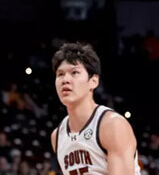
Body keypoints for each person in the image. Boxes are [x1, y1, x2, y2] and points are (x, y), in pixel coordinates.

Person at [50, 42, 141, 175]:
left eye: (74, 72)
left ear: (93, 81)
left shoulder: (112, 125)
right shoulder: (57, 136)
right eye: (60, 74)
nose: (65, 80)